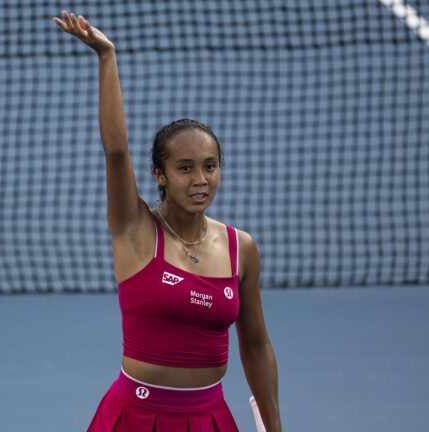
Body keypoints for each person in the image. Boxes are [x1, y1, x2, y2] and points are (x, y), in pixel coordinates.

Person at [53, 11, 282, 431]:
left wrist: (274, 425)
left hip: (210, 418)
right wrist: (107, 57)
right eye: (185, 168)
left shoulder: (240, 247)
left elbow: (256, 344)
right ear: (160, 174)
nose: (201, 180)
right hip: (135, 416)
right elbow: (116, 150)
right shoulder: (135, 230)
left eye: (210, 166)